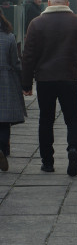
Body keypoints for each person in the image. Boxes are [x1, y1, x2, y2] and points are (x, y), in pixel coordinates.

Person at [21, 0, 77, 176]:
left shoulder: (36, 24)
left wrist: (26, 84)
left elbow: (28, 56)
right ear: (68, 3)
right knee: (72, 118)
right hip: (69, 78)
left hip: (45, 80)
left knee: (46, 120)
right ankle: (73, 150)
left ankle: (47, 162)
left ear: (49, 2)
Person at [0, 10, 27, 171]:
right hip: (5, 81)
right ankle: (3, 150)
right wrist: (23, 79)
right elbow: (15, 62)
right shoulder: (8, 37)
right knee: (3, 121)